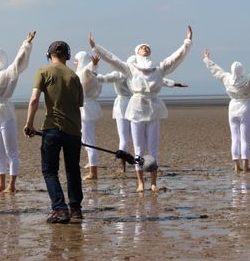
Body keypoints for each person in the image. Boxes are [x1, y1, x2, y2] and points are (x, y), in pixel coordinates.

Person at [88, 26, 193, 192]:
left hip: (153, 108)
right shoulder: (131, 68)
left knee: (153, 148)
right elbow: (112, 59)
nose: (145, 48)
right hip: (136, 108)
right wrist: (95, 47)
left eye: (147, 47)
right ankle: (140, 183)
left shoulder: (158, 68)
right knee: (138, 148)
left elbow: (175, 58)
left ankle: (153, 183)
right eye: (142, 47)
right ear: (137, 52)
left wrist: (187, 42)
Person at [24, 41, 84, 224]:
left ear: (49, 55)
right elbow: (79, 103)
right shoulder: (74, 76)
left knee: (50, 171)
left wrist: (29, 124)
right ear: (68, 55)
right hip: (74, 130)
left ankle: (59, 209)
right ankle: (75, 208)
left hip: (53, 127)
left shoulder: (43, 71)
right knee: (73, 169)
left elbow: (34, 99)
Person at [97, 65, 188, 174]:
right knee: (140, 138)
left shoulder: (120, 73)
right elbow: (158, 80)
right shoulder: (137, 74)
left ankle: (123, 166)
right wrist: (174, 83)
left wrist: (91, 71)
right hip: (135, 105)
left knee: (124, 138)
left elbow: (104, 78)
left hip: (123, 105)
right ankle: (144, 163)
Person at [0, 31, 36, 193]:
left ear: (0, 58)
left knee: (11, 151)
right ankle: (1, 183)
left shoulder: (7, 73)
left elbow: (19, 62)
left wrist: (26, 44)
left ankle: (12, 185)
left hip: (5, 114)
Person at [203, 48, 250, 172]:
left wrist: (207, 60)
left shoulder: (227, 78)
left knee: (235, 138)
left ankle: (236, 166)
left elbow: (216, 70)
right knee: (245, 138)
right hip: (245, 108)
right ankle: (246, 165)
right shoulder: (249, 79)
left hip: (232, 109)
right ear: (242, 70)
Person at [73, 51, 103, 180]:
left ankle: (93, 173)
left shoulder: (85, 74)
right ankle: (91, 165)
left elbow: (86, 71)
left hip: (85, 109)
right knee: (85, 140)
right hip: (86, 108)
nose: (74, 63)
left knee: (89, 141)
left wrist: (93, 64)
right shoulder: (92, 75)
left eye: (76, 60)